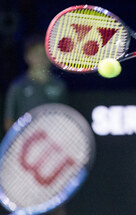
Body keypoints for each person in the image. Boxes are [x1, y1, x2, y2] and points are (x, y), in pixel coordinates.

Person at [3, 35, 68, 215]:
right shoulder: (18, 86)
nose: (41, 57)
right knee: (25, 203)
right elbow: (9, 122)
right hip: (25, 159)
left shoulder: (59, 86)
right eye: (36, 53)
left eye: (44, 53)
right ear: (27, 57)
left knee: (56, 204)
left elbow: (64, 119)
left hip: (53, 156)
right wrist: (23, 148)